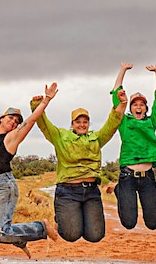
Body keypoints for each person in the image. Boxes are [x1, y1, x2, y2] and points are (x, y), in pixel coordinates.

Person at [0, 63, 59, 256]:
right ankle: (18, 238)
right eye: (10, 118)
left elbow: (30, 121)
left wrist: (45, 101)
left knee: (0, 231)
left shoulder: (12, 138)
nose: (13, 121)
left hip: (4, 186)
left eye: (16, 121)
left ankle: (40, 227)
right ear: (1, 118)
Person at [31, 88, 124, 243]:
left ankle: (74, 216)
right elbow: (44, 124)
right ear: (72, 123)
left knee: (95, 236)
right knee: (71, 235)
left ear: (88, 123)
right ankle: (61, 217)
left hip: (91, 192)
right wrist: (36, 105)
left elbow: (112, 125)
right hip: (68, 191)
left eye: (85, 121)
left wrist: (122, 103)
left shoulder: (96, 138)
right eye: (78, 122)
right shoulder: (61, 136)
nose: (82, 124)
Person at [109, 61, 156, 230]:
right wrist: (122, 70)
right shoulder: (124, 122)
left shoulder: (151, 122)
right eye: (135, 104)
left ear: (145, 108)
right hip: (127, 177)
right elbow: (115, 96)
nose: (138, 106)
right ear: (130, 107)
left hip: (148, 177)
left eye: (141, 104)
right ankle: (118, 190)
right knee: (128, 223)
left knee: (153, 224)